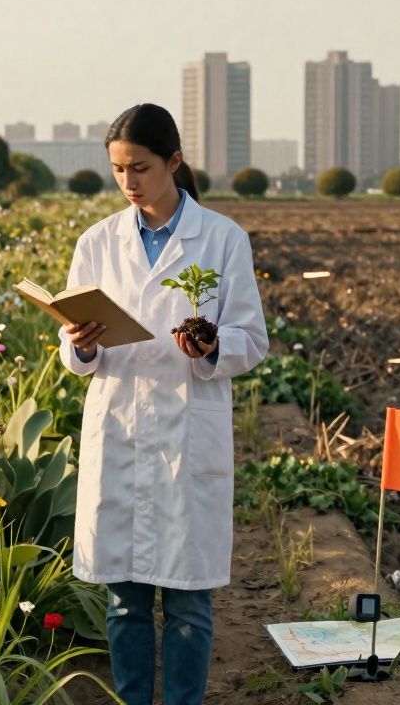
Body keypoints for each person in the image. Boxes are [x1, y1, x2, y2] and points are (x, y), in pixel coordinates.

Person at [58, 103, 268, 705]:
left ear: (174, 162)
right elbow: (72, 355)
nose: (128, 183)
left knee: (187, 602)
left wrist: (211, 346)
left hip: (185, 430)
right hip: (120, 427)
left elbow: (251, 340)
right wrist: (81, 345)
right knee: (124, 601)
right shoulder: (97, 242)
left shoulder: (223, 240)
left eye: (140, 168)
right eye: (119, 170)